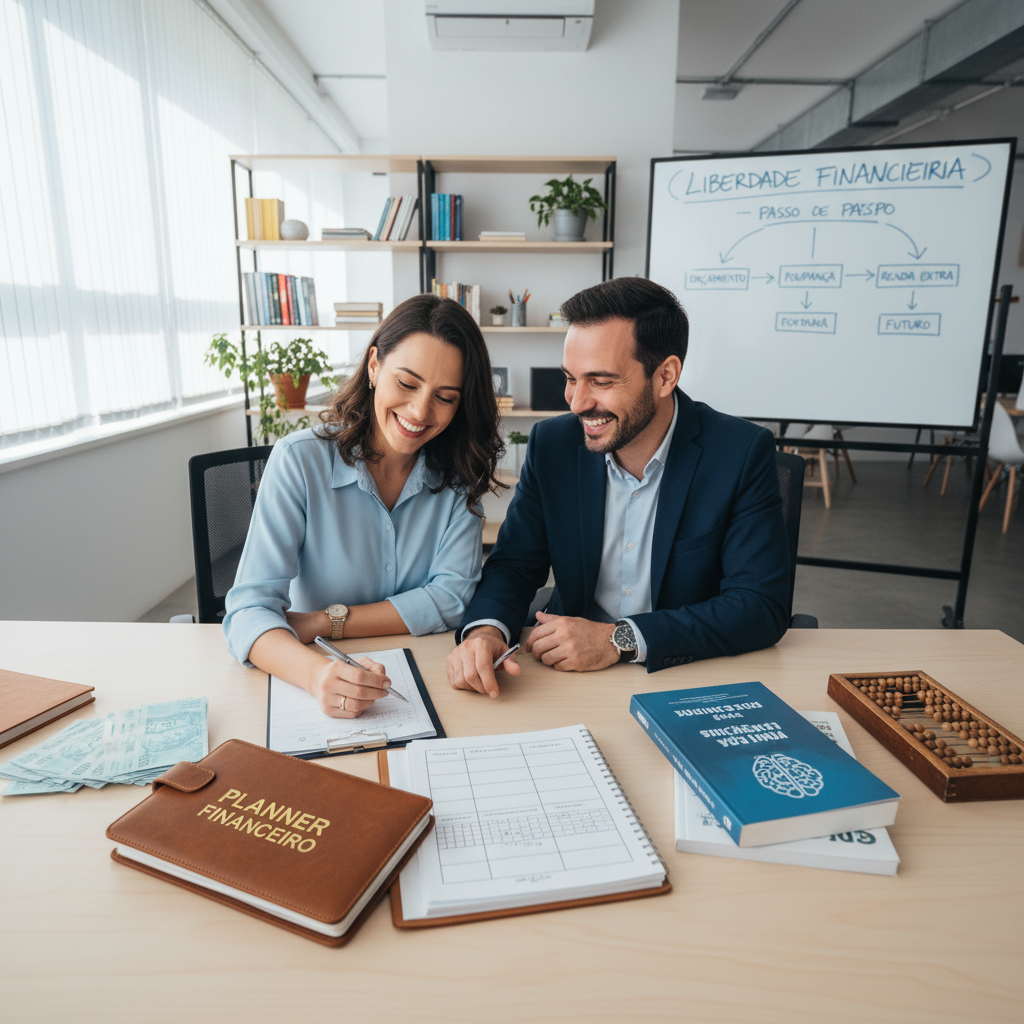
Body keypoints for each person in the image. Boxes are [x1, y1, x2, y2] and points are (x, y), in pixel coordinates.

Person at [446, 277, 790, 698]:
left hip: (683, 676)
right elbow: (515, 564)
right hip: (569, 676)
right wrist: (485, 631)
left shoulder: (739, 452)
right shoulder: (552, 445)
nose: (575, 403)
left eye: (602, 382)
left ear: (665, 376)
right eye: (571, 378)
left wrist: (618, 640)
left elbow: (760, 606)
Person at [224, 293, 504, 718]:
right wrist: (317, 675)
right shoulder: (299, 461)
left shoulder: (458, 477)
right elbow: (248, 612)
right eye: (407, 383)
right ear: (374, 366)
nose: (419, 411)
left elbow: (451, 599)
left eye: (445, 397)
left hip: (425, 680)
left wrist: (323, 621)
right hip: (315, 680)